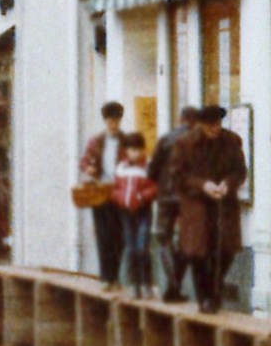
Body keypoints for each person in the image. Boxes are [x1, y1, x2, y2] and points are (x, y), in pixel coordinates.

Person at [173, 105, 246, 314]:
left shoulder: (232, 141)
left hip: (224, 205)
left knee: (226, 250)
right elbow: (178, 175)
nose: (215, 128)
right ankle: (206, 297)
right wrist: (203, 185)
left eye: (218, 124)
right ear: (201, 124)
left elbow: (240, 171)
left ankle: (213, 291)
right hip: (197, 206)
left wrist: (227, 184)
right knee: (200, 252)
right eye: (210, 125)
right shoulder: (185, 144)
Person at [149, 107, 199, 300]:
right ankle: (174, 287)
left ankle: (173, 286)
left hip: (166, 196)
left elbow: (152, 170)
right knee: (187, 240)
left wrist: (160, 184)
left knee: (164, 239)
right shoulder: (198, 142)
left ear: (181, 119)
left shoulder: (165, 139)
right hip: (188, 197)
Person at [79, 100, 126, 289]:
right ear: (105, 121)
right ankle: (106, 277)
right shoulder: (96, 141)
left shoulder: (126, 141)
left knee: (119, 236)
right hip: (100, 190)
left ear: (120, 121)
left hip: (119, 192)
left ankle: (116, 277)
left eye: (116, 121)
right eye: (110, 122)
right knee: (103, 234)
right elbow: (84, 161)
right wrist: (89, 168)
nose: (113, 125)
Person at [110, 132, 156, 293]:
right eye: (131, 150)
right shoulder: (121, 168)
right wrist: (121, 198)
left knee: (142, 247)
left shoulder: (148, 166)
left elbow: (155, 187)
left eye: (137, 150)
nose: (134, 154)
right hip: (126, 212)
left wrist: (142, 196)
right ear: (126, 151)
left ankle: (147, 283)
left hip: (143, 211)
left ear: (143, 150)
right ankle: (134, 284)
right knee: (130, 248)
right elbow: (114, 189)